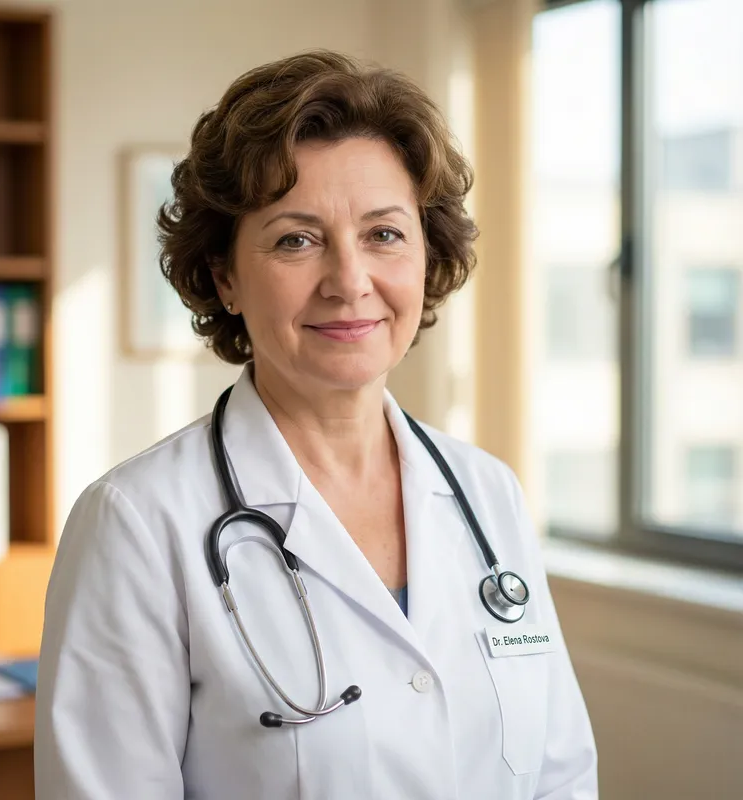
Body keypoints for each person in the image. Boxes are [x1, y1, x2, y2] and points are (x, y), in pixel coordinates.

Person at [34, 50, 597, 799]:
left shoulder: (487, 495)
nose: (350, 281)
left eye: (384, 234)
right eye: (296, 239)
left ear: (428, 257)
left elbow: (561, 777)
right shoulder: (137, 526)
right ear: (224, 275)